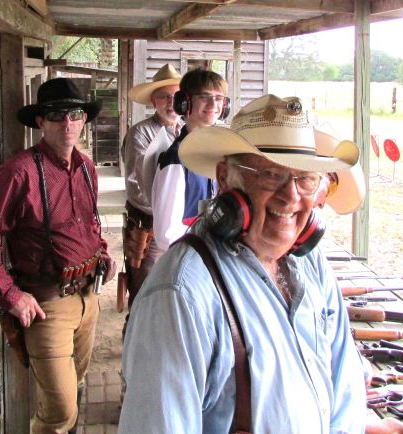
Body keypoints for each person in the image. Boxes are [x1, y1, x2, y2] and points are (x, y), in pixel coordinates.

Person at [119, 94, 367, 433]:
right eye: (271, 174)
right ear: (225, 178)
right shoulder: (179, 294)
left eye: (306, 179)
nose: (291, 197)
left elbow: (344, 392)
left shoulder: (311, 262)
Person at [0, 77, 116, 434]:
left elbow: (88, 224)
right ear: (40, 121)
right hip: (47, 305)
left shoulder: (86, 167)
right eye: (56, 115)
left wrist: (102, 253)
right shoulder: (19, 172)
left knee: (75, 386)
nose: (67, 122)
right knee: (59, 411)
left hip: (88, 297)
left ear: (84, 119)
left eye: (74, 114)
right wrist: (11, 296)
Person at [122, 64, 183, 306]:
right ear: (153, 101)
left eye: (176, 96)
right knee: (145, 292)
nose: (171, 102)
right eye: (164, 97)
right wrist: (164, 208)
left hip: (180, 226)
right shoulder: (140, 134)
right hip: (149, 227)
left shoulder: (185, 131)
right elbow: (135, 186)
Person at [150, 68, 229, 252]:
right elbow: (167, 235)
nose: (213, 104)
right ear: (184, 103)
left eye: (218, 98)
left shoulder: (220, 153)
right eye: (204, 97)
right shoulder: (176, 160)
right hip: (192, 256)